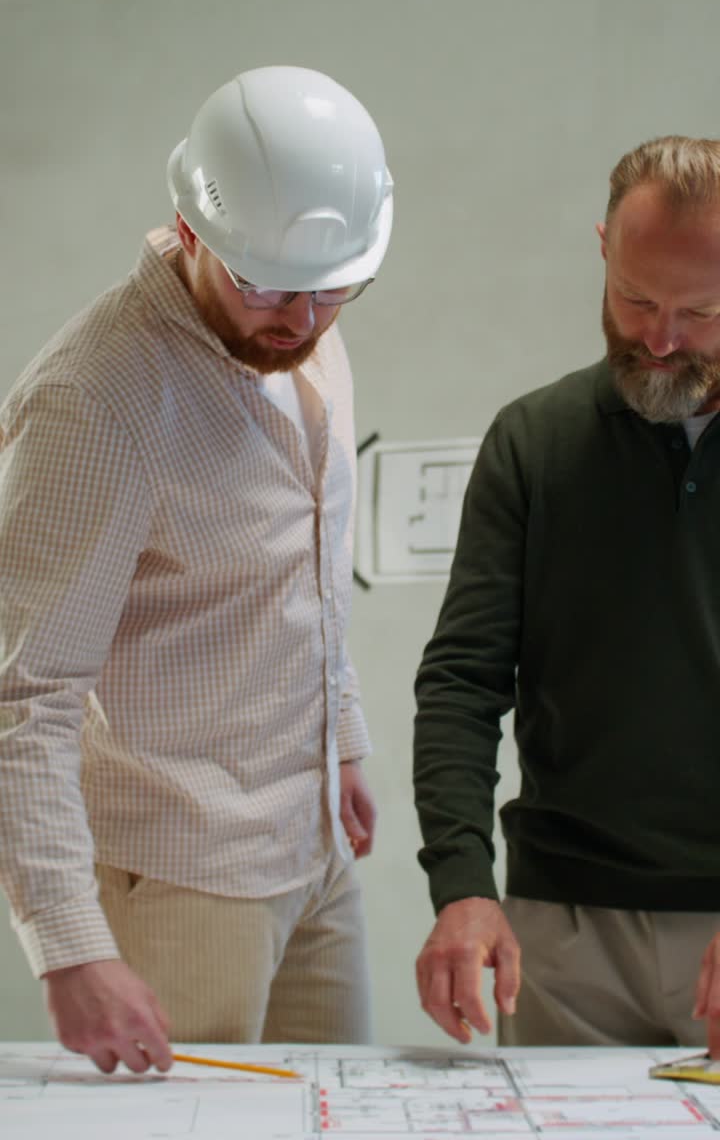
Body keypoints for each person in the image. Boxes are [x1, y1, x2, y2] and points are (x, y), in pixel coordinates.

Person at [0, 65, 394, 1074]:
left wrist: (338, 730)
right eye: (263, 283)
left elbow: (298, 567)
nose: (298, 320)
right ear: (188, 227)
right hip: (180, 877)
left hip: (312, 848)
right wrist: (69, 944)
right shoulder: (95, 402)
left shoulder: (306, 331)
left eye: (329, 288)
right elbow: (23, 696)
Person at [413, 134, 720, 1056]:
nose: (660, 339)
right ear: (601, 248)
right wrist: (463, 885)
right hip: (561, 933)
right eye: (634, 300)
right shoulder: (532, 444)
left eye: (701, 312)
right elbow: (464, 681)